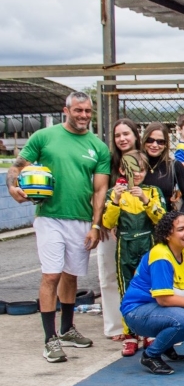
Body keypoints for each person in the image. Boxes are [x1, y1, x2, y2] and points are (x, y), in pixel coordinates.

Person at [7, 92, 110, 363]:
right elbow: (17, 166)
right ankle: (49, 338)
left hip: (81, 219)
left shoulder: (97, 146)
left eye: (88, 111)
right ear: (66, 110)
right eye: (78, 111)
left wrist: (96, 225)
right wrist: (13, 187)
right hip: (49, 216)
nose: (83, 116)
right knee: (51, 275)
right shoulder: (44, 137)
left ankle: (67, 329)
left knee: (71, 275)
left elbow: (100, 190)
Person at [119, 211, 184, 374]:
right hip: (138, 312)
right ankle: (150, 355)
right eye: (181, 229)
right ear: (167, 234)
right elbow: (164, 299)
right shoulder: (161, 256)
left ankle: (166, 344)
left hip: (160, 311)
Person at [102, 151, 166, 356]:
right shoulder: (115, 192)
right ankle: (130, 334)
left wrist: (146, 201)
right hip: (125, 245)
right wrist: (116, 200)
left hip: (148, 243)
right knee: (126, 289)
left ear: (146, 171)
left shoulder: (152, 191)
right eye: (131, 169)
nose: (136, 174)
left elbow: (161, 219)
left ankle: (148, 331)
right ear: (122, 170)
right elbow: (107, 223)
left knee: (150, 288)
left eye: (140, 170)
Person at [97, 118, 140, 342]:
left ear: (135, 136)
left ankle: (141, 324)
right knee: (109, 276)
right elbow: (98, 191)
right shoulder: (109, 163)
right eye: (117, 135)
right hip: (111, 226)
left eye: (126, 134)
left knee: (139, 277)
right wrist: (102, 223)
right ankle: (116, 326)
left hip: (139, 230)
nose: (122, 139)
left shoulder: (144, 160)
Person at [140, 123, 184, 216]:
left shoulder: (174, 165)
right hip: (138, 223)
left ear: (166, 144)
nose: (154, 145)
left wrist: (179, 217)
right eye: (150, 140)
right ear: (144, 141)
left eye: (160, 142)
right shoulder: (135, 164)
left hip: (164, 222)